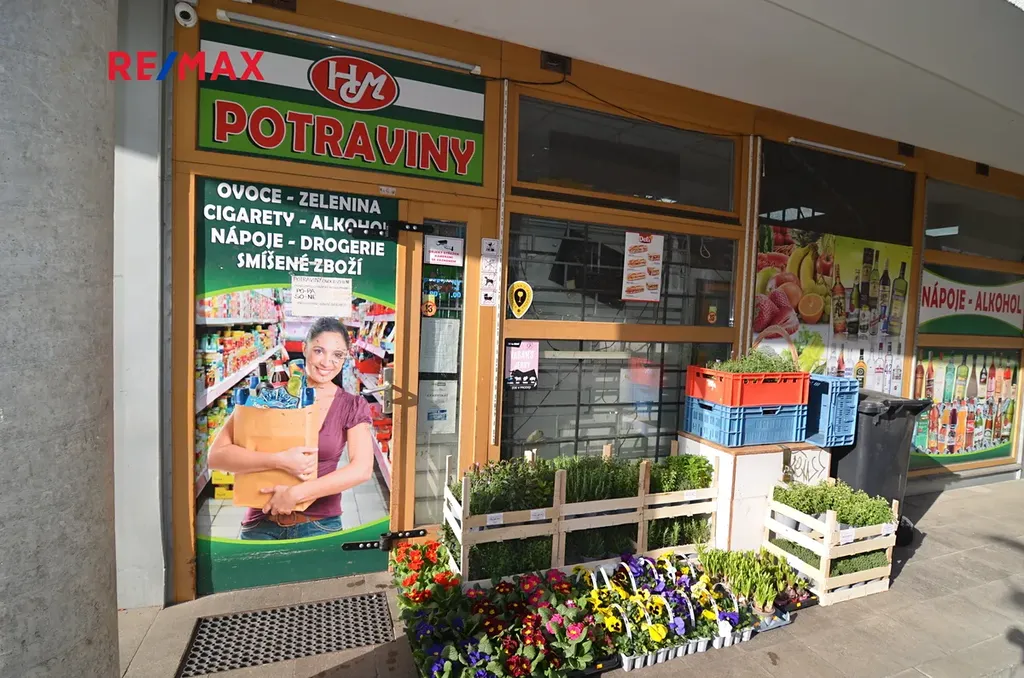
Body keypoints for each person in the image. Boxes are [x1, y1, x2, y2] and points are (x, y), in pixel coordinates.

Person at [208, 317, 375, 540]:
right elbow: (216, 457)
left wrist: (295, 494)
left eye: (337, 355)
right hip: (261, 522)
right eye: (319, 351)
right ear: (304, 348)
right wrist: (279, 460)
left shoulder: (351, 405)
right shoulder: (269, 394)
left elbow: (362, 468)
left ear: (345, 358)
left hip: (320, 525)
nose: (327, 362)